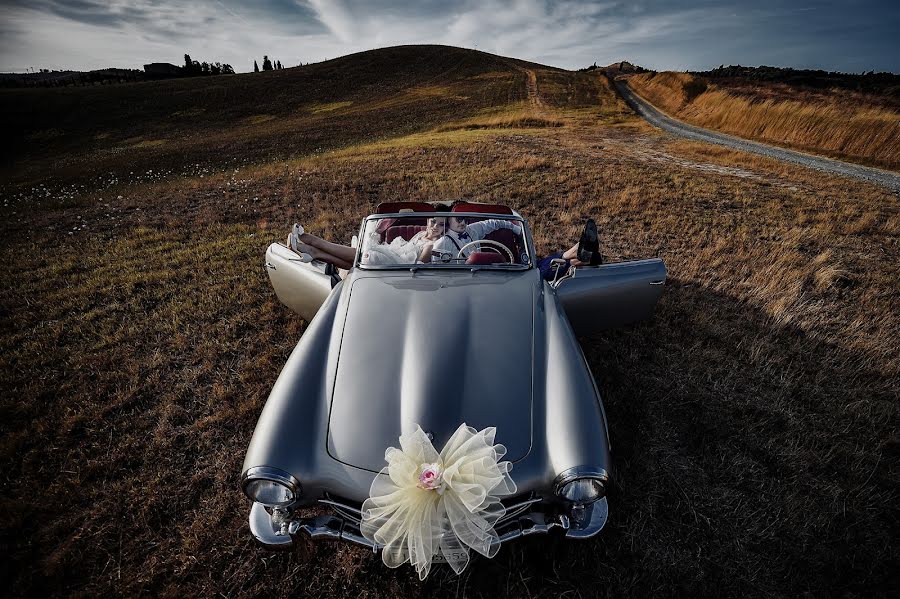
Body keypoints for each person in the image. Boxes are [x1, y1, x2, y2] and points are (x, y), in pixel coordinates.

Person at [286, 217, 447, 269]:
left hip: (399, 266)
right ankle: (314, 252)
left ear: (444, 228)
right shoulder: (420, 234)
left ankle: (311, 241)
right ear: (428, 221)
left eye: (440, 225)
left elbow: (419, 265)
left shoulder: (433, 244)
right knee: (357, 262)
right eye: (433, 222)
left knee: (363, 254)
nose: (435, 227)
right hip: (393, 254)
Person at [429, 215, 522, 262]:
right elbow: (438, 271)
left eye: (466, 220)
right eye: (458, 219)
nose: (463, 223)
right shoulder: (441, 243)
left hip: (481, 275)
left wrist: (515, 228)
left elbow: (494, 223)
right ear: (449, 220)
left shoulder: (472, 229)